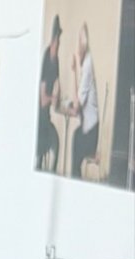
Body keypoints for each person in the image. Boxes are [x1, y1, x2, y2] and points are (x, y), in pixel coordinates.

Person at [69, 21, 101, 177]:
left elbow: (76, 107)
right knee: (76, 137)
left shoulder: (87, 66)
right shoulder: (87, 63)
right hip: (89, 128)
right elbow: (78, 100)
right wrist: (75, 70)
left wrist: (74, 71)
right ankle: (75, 179)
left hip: (91, 132)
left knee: (76, 139)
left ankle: (75, 180)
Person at [37, 15, 63, 172]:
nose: (58, 45)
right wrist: (53, 98)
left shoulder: (56, 60)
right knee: (45, 147)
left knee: (56, 144)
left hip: (47, 117)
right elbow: (42, 99)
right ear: (53, 41)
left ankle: (52, 172)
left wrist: (59, 95)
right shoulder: (46, 60)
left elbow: (58, 83)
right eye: (57, 41)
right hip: (40, 119)